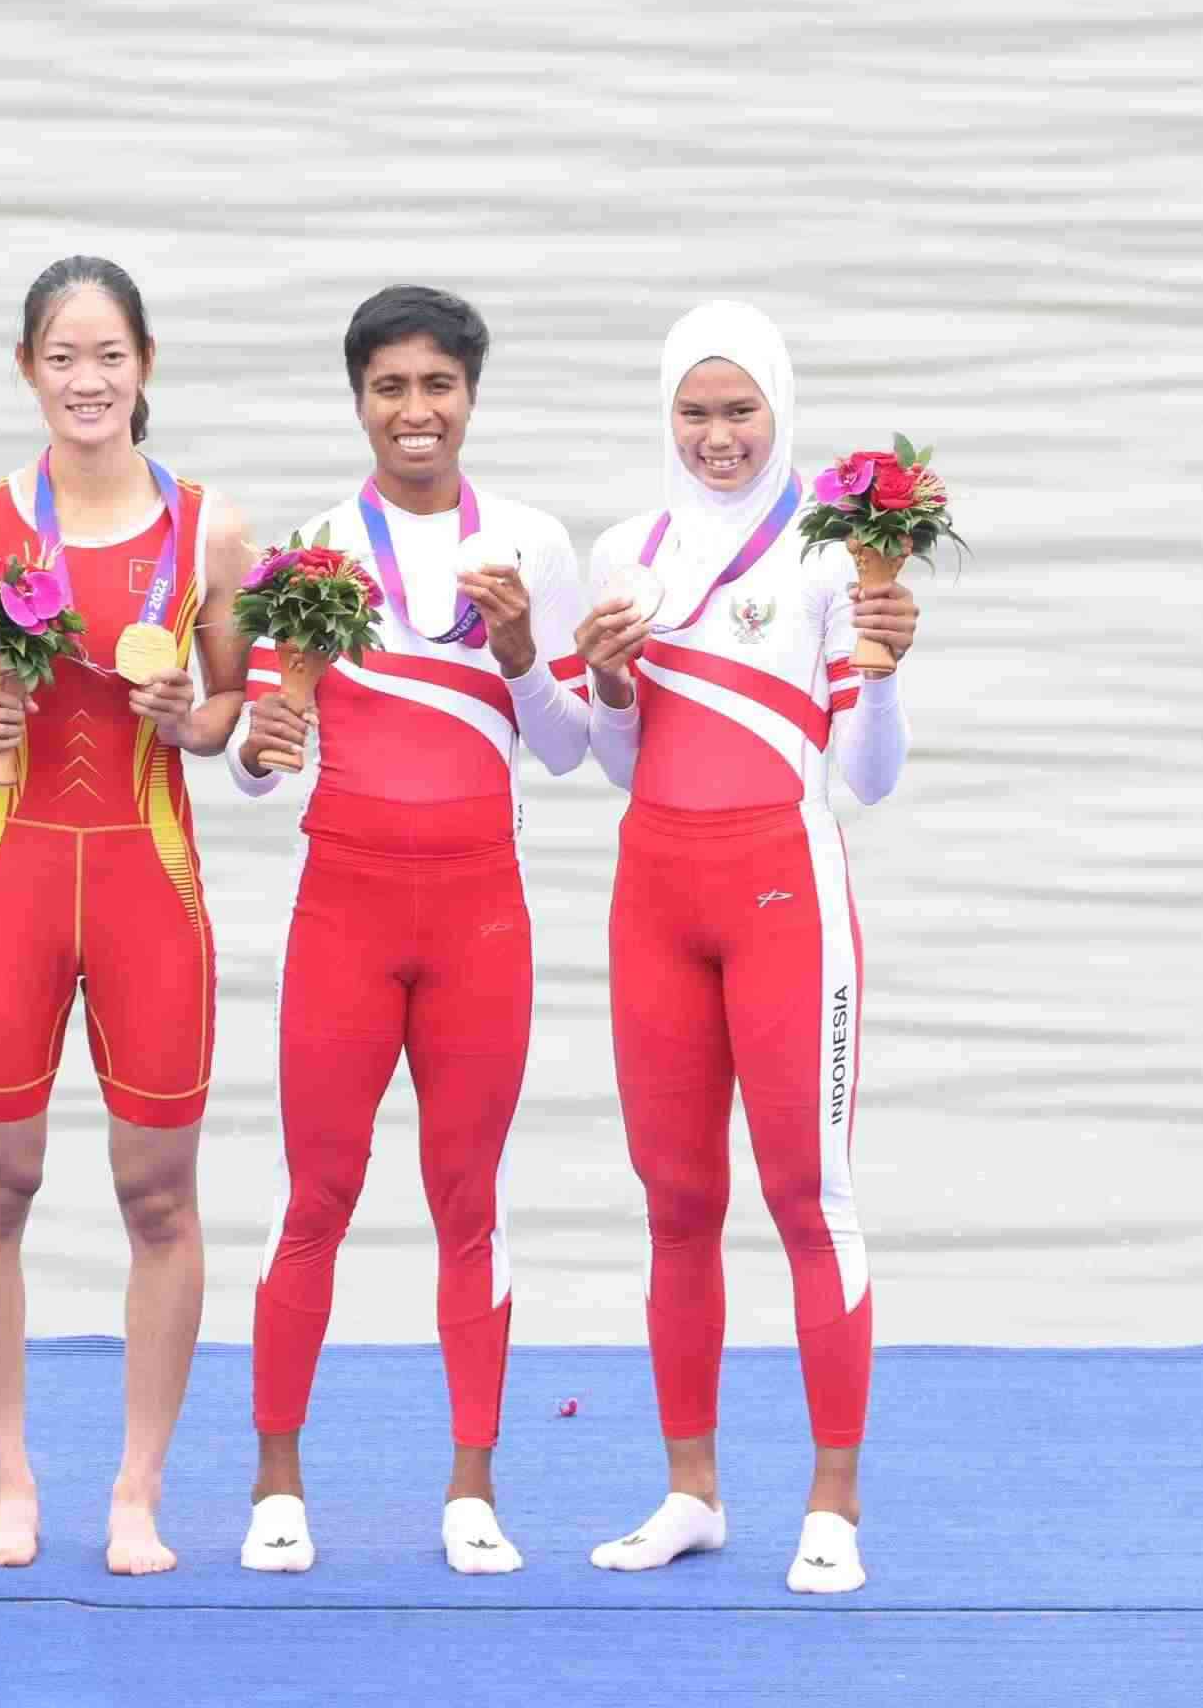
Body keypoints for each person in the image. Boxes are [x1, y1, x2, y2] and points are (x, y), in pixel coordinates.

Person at [233, 285, 592, 1576]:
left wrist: (521, 649)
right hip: (345, 905)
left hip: (478, 913)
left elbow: (568, 749)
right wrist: (262, 743)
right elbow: (259, 771)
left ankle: (472, 1488)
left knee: (466, 1200)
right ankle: (278, 1482)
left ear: (471, 397)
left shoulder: (532, 547)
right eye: (390, 387)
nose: (416, 410)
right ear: (359, 402)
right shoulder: (315, 550)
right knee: (317, 1194)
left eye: (438, 384)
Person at [574, 300, 918, 1596]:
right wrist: (611, 682)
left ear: (779, 411)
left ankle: (833, 1503)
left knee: (806, 1197)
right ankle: (692, 1491)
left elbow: (867, 778)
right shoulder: (627, 554)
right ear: (667, 417)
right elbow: (621, 762)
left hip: (785, 898)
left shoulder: (833, 553)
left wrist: (883, 667)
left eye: (741, 411)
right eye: (695, 412)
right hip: (655, 899)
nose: (717, 436)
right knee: (676, 1202)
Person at [0, 256, 252, 1576]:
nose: (87, 380)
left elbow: (232, 713)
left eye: (109, 355)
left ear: (146, 365)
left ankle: (137, 1488)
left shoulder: (211, 531)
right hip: (9, 879)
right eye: (62, 356)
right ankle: (10, 1481)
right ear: (27, 369)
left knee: (158, 1194)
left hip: (147, 881)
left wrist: (192, 716)